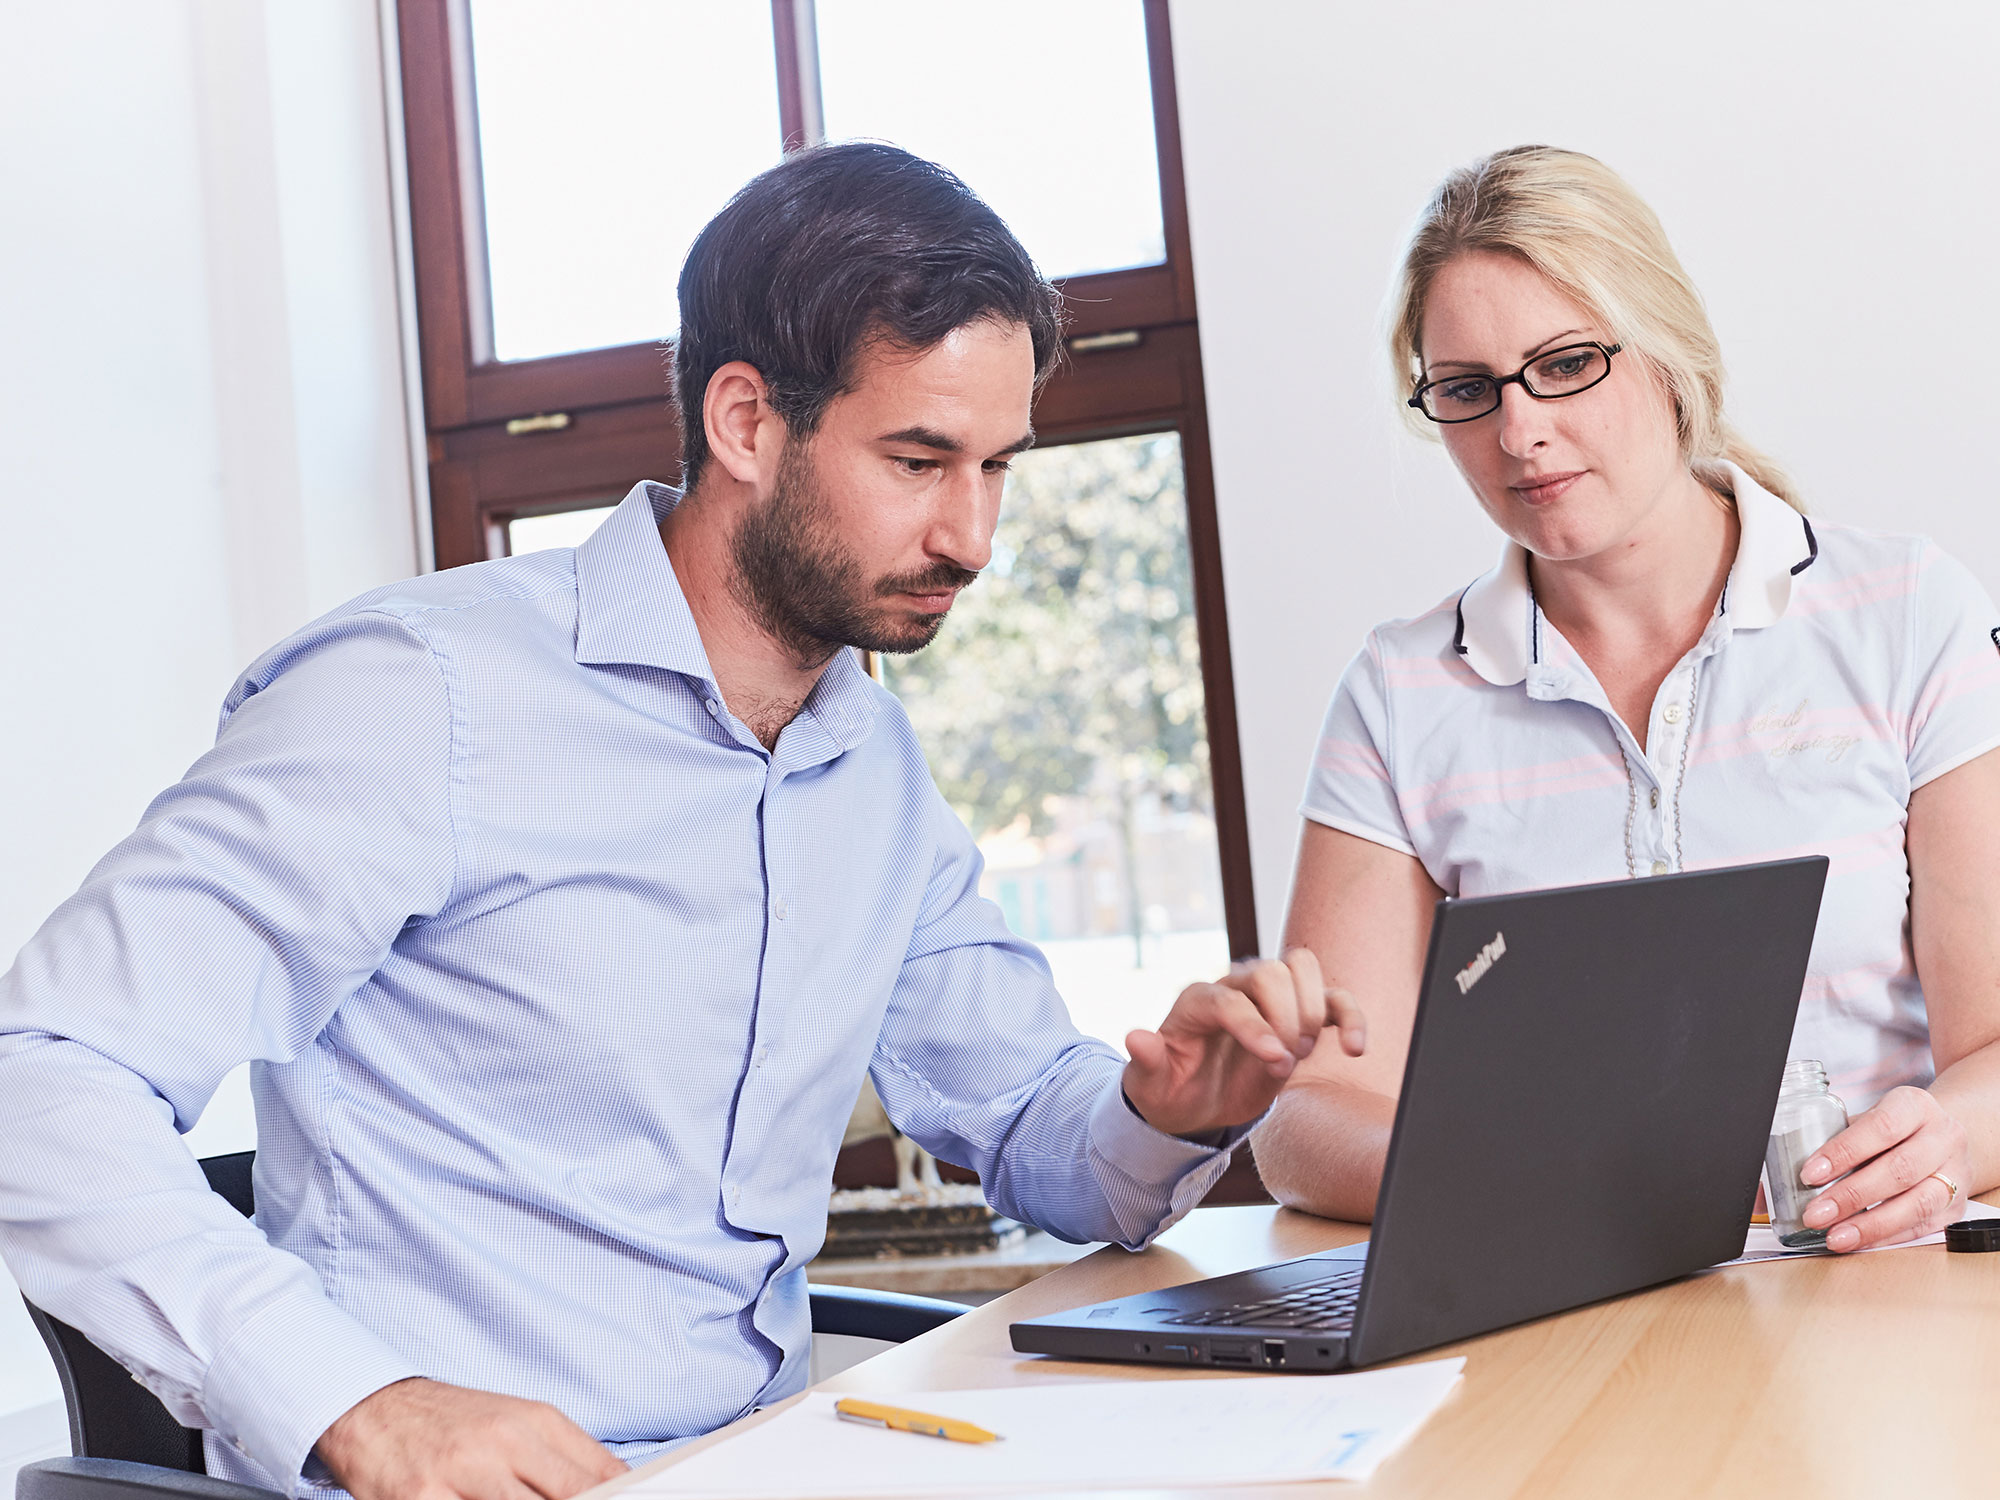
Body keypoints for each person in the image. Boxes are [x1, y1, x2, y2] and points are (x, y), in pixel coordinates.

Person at [0, 144, 1358, 1500]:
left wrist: (1170, 1110)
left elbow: (1030, 1127)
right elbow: (45, 1075)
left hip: (765, 1467)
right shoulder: (420, 696)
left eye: (997, 466)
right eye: (919, 460)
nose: (973, 535)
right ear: (747, 423)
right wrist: (364, 1403)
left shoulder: (868, 762)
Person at [1251, 145, 2000, 1252]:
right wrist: (1531, 1176)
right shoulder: (1401, 691)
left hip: (1866, 1279)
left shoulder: (1903, 612)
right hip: (1561, 1305)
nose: (1518, 432)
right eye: (1466, 389)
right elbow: (1304, 1118)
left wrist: (1944, 1140)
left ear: (1665, 356)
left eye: (1562, 365)